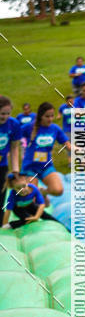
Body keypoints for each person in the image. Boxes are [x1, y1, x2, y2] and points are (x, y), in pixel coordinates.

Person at [21, 102, 71, 197]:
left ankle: (42, 193)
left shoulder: (55, 128)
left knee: (58, 190)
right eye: (47, 116)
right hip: (30, 167)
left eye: (52, 116)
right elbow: (14, 133)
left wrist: (84, 150)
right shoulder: (29, 127)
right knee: (30, 196)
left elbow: (68, 145)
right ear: (41, 116)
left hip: (46, 166)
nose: (50, 119)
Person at [0, 96, 22, 224]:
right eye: (2, 113)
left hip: (2, 165)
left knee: (1, 195)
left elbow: (14, 148)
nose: (5, 116)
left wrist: (15, 169)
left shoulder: (14, 124)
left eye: (8, 113)